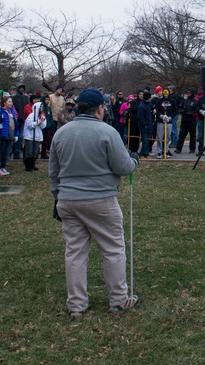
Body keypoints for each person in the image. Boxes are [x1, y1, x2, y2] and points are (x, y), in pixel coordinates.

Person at [49, 88, 140, 316]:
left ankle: (76, 305)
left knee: (75, 252)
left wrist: (56, 197)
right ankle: (118, 300)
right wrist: (134, 161)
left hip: (68, 199)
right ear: (100, 108)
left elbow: (53, 171)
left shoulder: (61, 133)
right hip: (100, 199)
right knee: (113, 249)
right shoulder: (107, 132)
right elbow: (123, 166)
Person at [0, 95, 18, 176]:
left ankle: (3, 167)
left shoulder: (11, 111)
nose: (11, 103)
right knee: (0, 152)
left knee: (7, 152)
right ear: (4, 103)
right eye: (9, 102)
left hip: (11, 135)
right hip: (2, 135)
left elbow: (15, 122)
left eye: (11, 102)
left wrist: (16, 134)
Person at [22, 97, 47, 171]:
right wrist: (38, 122)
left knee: (35, 152)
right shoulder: (31, 116)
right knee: (29, 152)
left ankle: (33, 165)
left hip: (37, 136)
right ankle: (28, 165)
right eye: (41, 107)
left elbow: (43, 126)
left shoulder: (42, 116)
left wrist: (42, 121)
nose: (41, 109)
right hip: (29, 136)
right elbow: (30, 125)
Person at [176, 89, 198, 154]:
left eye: (189, 92)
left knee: (192, 136)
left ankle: (192, 149)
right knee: (181, 135)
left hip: (192, 121)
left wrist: (191, 113)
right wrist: (181, 111)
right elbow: (179, 108)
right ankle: (178, 148)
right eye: (187, 92)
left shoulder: (195, 101)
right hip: (184, 121)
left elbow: (197, 111)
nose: (188, 93)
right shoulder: (184, 101)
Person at [136, 91, 154, 158]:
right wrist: (145, 124)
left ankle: (143, 153)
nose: (151, 99)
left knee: (147, 140)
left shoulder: (149, 104)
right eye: (150, 97)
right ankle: (144, 154)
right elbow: (140, 117)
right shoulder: (141, 106)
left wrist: (154, 109)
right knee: (145, 141)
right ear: (147, 98)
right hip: (144, 126)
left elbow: (152, 107)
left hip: (149, 124)